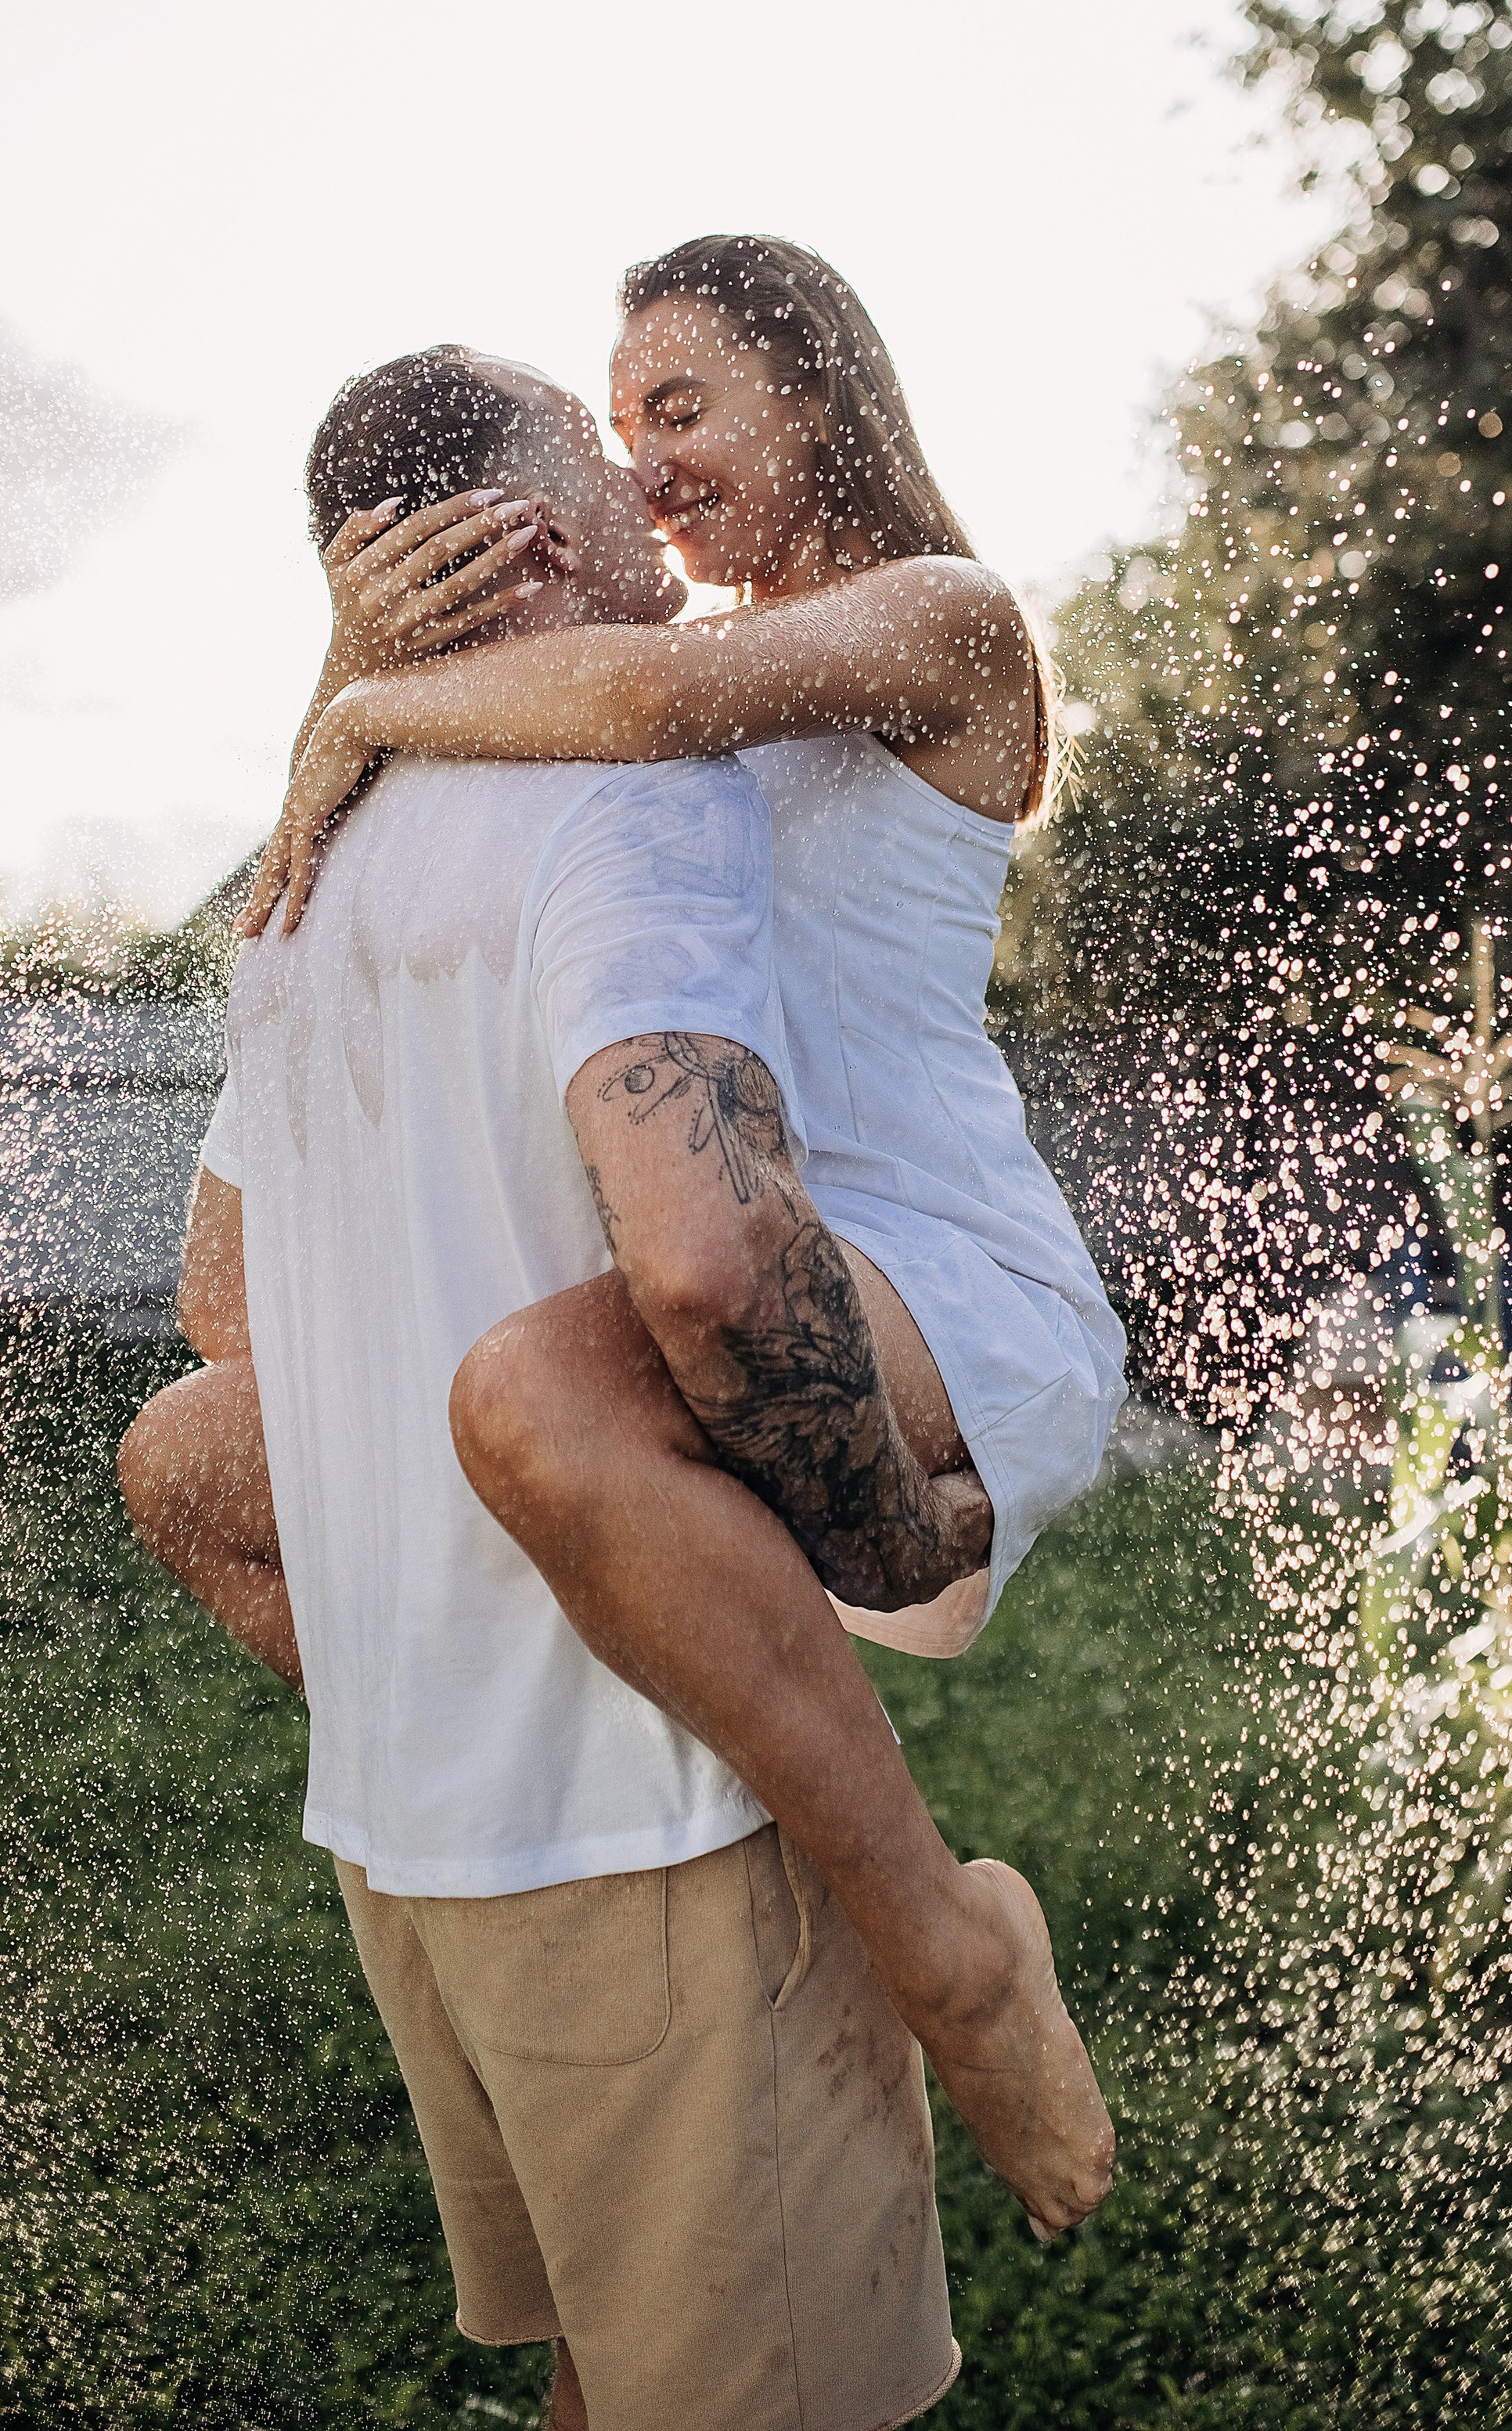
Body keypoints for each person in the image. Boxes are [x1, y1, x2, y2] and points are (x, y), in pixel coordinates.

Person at [124, 339, 1078, 2431]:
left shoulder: (309, 876)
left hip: (413, 1840)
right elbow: (717, 1257)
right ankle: (947, 1937)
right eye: (608, 445)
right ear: (538, 526)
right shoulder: (635, 800)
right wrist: (873, 1526)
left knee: (600, 2381)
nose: (658, 500)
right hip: (653, 1821)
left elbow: (224, 1314)